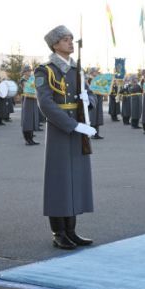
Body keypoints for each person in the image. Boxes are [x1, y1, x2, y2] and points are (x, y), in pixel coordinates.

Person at [35, 25, 97, 250]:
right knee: (59, 180)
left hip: (79, 127)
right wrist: (73, 125)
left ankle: (71, 231)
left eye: (71, 39)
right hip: (61, 130)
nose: (71, 43)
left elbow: (90, 94)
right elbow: (46, 104)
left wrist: (88, 101)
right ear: (55, 44)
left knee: (76, 179)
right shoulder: (45, 70)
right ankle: (58, 232)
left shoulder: (76, 69)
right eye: (65, 39)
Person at [20, 66, 40, 145]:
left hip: (33, 98)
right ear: (24, 72)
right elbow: (27, 87)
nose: (29, 72)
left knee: (32, 119)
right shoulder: (23, 80)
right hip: (28, 99)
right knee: (27, 119)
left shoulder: (31, 78)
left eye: (30, 71)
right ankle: (27, 139)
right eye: (28, 71)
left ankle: (31, 138)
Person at [87, 68, 104, 139]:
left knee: (97, 117)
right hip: (93, 99)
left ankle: (96, 134)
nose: (97, 73)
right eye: (96, 72)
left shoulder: (97, 79)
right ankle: (92, 133)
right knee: (93, 117)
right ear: (92, 72)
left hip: (98, 99)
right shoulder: (89, 79)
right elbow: (90, 89)